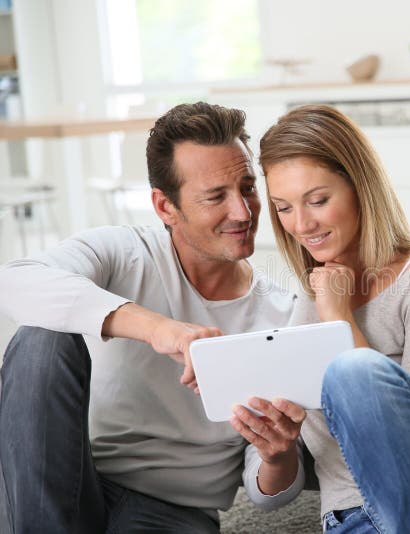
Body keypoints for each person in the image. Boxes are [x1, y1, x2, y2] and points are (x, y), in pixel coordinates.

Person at [0, 102, 302, 533]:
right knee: (42, 337)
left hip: (172, 510)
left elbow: (268, 494)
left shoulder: (280, 315)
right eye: (216, 196)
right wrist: (162, 330)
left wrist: (278, 455)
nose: (243, 211)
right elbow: (12, 281)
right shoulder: (122, 254)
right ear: (165, 207)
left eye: (248, 187)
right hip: (64, 480)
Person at [230, 105, 410, 533]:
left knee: (355, 370)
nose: (302, 224)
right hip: (355, 516)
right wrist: (277, 453)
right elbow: (267, 494)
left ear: (359, 187)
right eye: (283, 207)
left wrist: (337, 315)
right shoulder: (300, 303)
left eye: (317, 200)